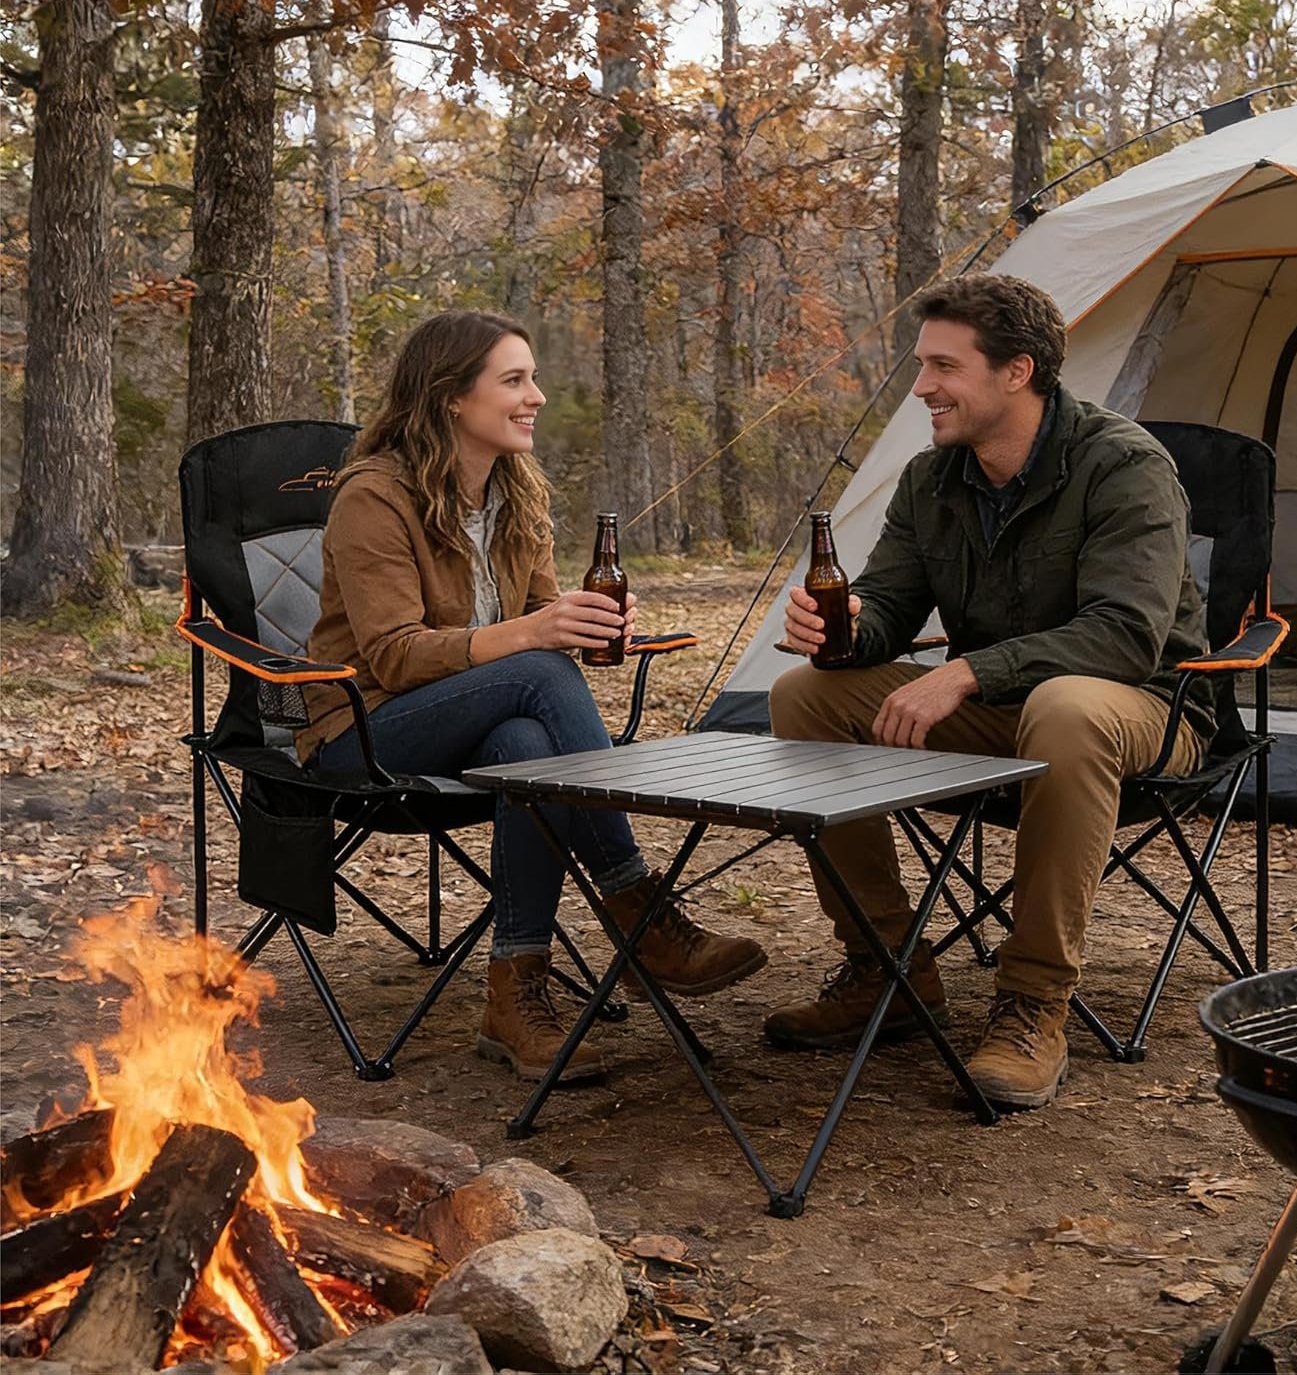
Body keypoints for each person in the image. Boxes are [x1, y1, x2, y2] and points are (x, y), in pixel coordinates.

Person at [767, 274, 1213, 1110]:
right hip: (1005, 712)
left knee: (1069, 705)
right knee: (803, 696)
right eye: (921, 366)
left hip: (1145, 707)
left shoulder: (1123, 466)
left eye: (943, 366)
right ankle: (887, 965)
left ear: (1018, 371)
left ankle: (1036, 1000)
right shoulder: (931, 481)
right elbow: (893, 611)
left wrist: (968, 672)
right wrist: (843, 631)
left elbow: (1125, 634)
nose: (923, 388)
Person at [296, 310, 767, 1083]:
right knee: (541, 677)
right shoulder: (374, 495)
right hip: (366, 728)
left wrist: (586, 626)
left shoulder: (516, 490)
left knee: (526, 746)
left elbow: (543, 630)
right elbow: (393, 653)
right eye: (514, 380)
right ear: (451, 396)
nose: (537, 396)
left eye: (534, 378)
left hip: (480, 718)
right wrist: (541, 638)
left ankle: (516, 993)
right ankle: (636, 904)